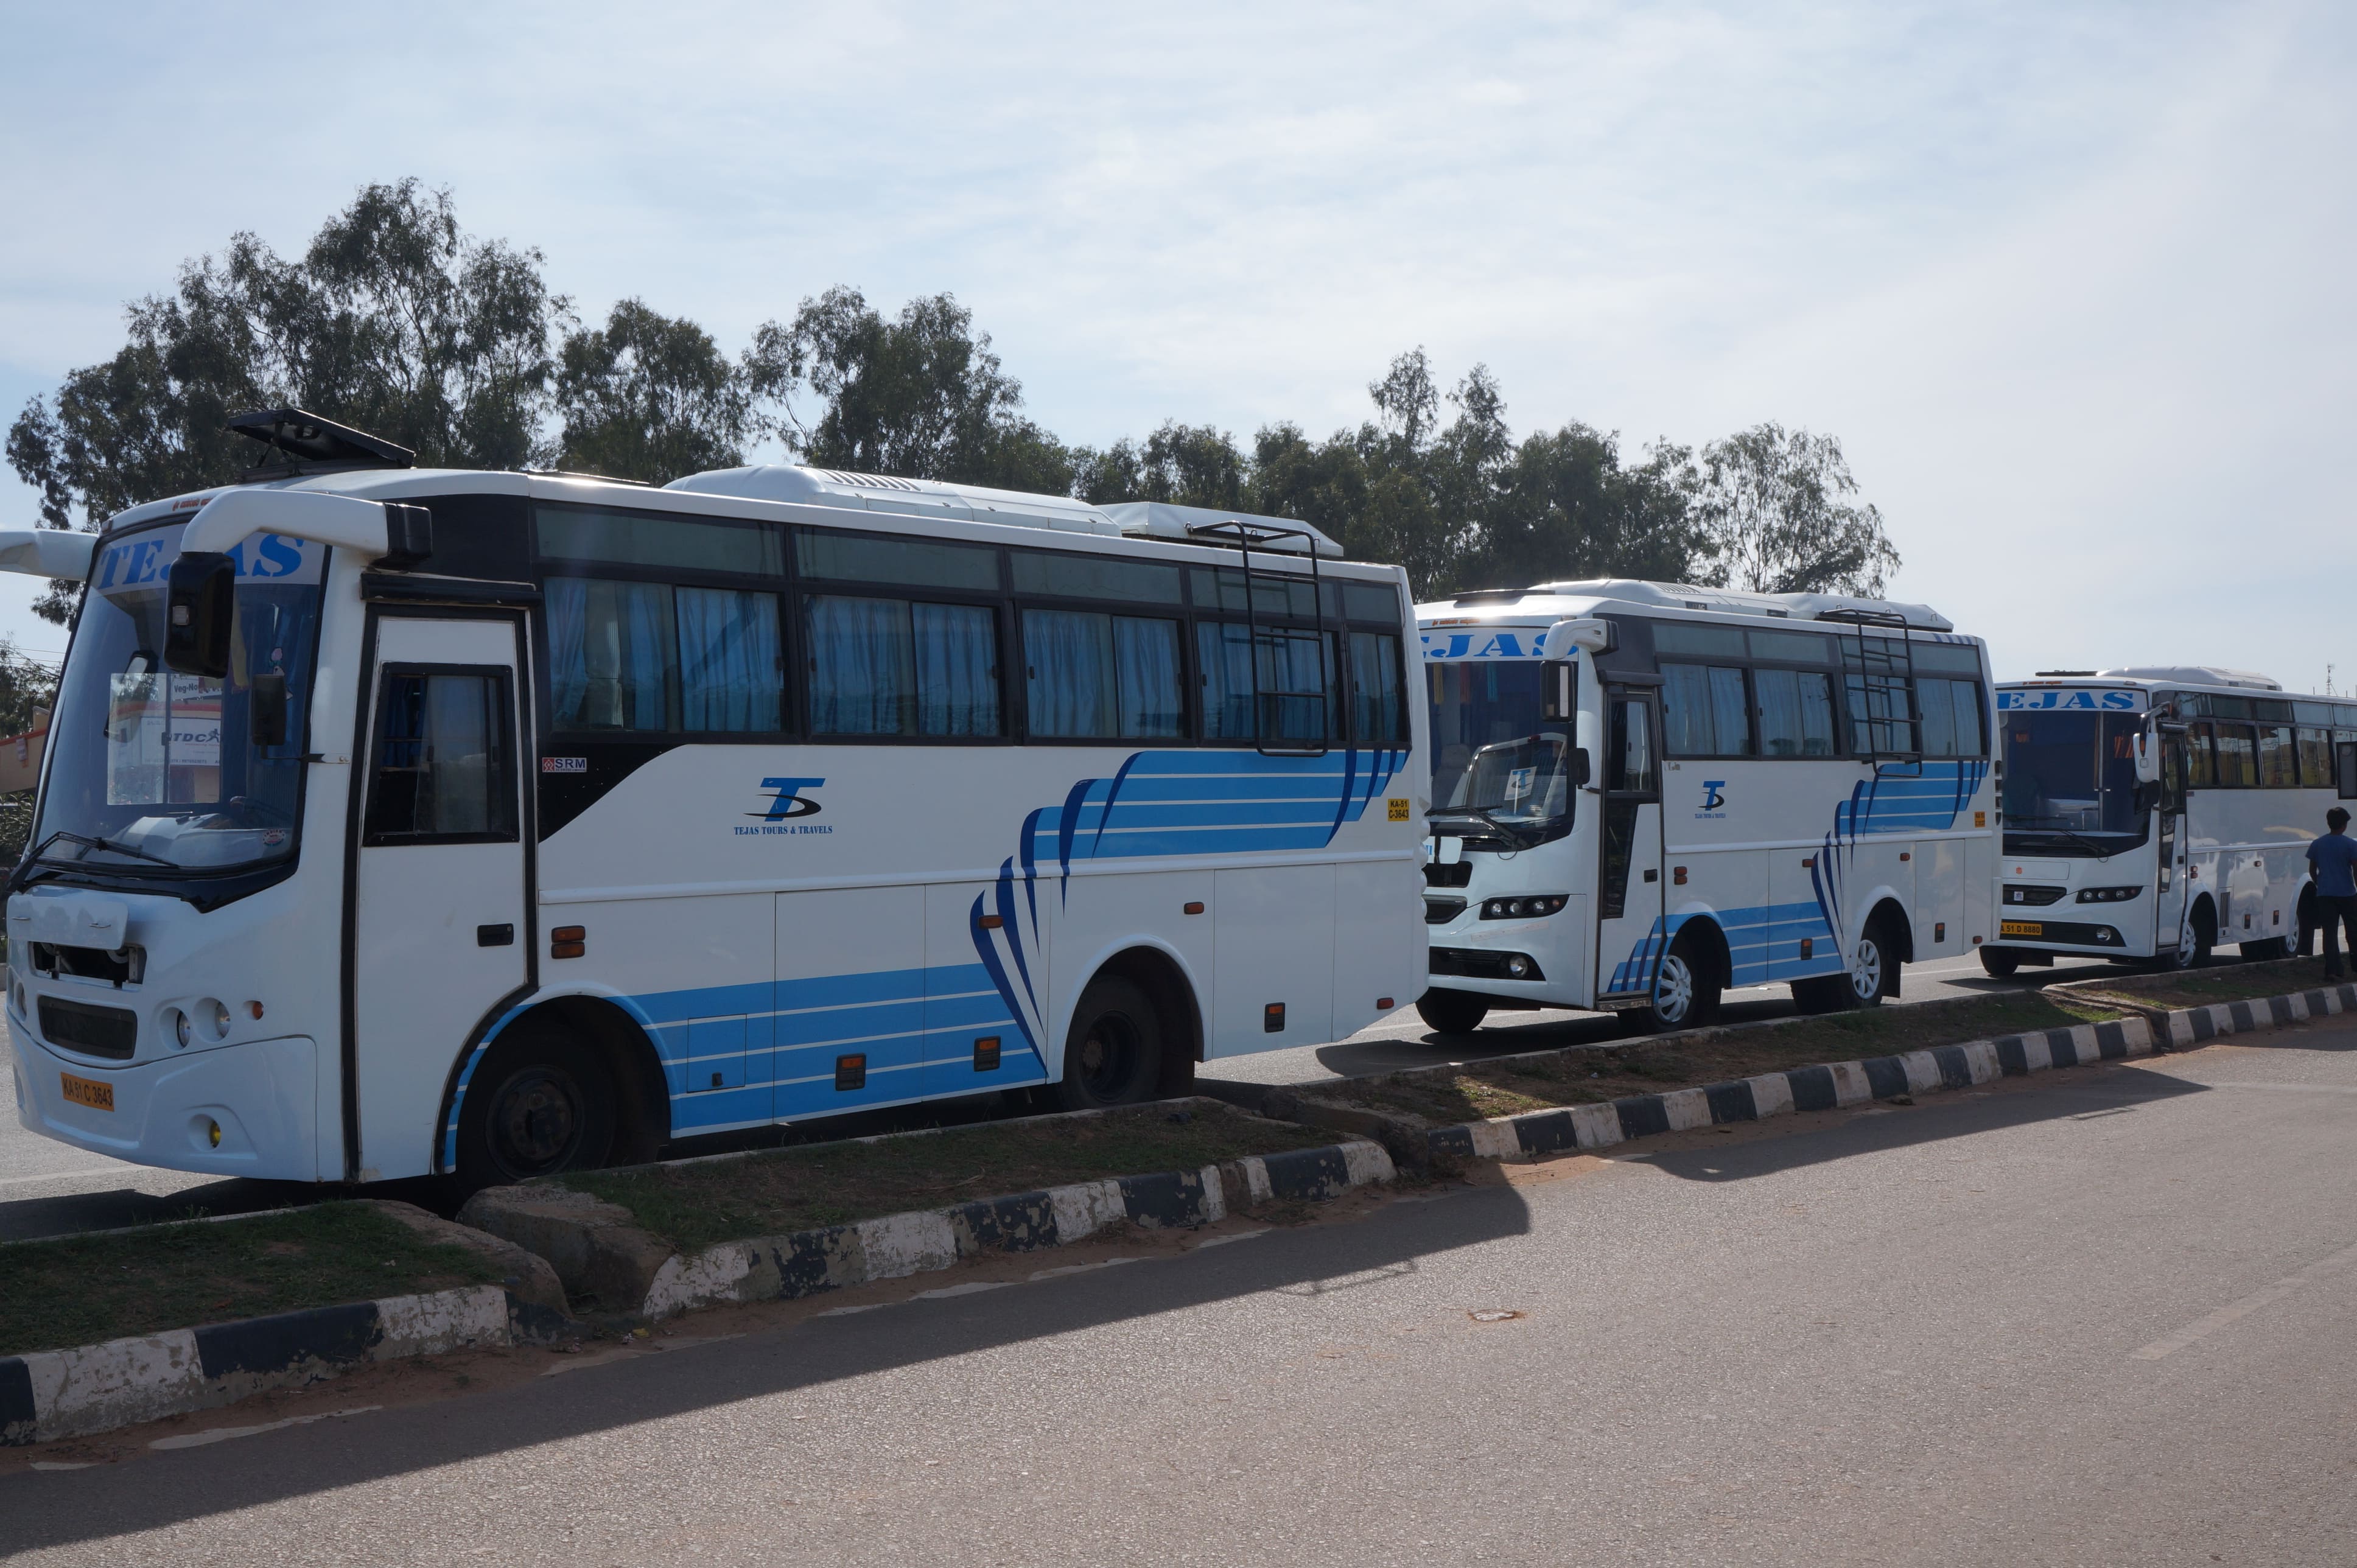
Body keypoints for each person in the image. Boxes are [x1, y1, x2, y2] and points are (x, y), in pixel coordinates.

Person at [2306, 807, 2357, 979]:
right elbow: (2356, 870)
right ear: (2344, 825)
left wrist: (2320, 884)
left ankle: (2333, 970)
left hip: (2325, 894)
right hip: (2347, 893)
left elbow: (2312, 869)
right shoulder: (2351, 844)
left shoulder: (2318, 844)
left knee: (2329, 933)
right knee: (2353, 931)